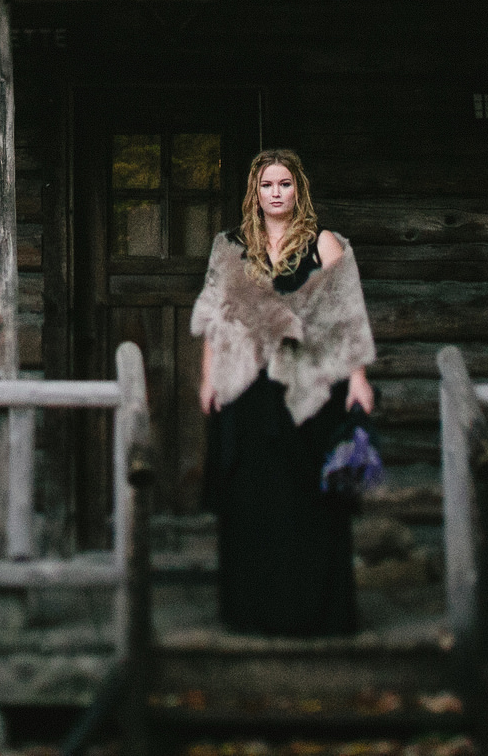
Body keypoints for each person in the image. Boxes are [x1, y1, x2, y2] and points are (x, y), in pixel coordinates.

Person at [191, 148, 376, 637]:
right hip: (247, 385)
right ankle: (253, 613)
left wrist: (358, 378)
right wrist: (209, 377)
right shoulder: (229, 246)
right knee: (254, 497)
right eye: (268, 185)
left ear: (299, 189)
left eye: (285, 184)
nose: (277, 193)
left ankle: (315, 614)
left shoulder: (324, 243)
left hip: (311, 384)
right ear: (255, 190)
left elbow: (347, 316)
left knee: (308, 500)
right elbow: (215, 316)